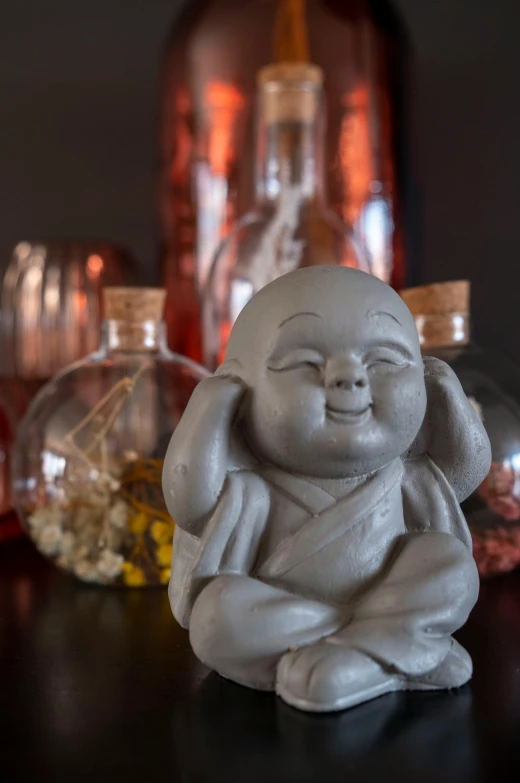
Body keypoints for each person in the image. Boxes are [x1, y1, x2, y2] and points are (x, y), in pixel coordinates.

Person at [163, 266, 491, 712]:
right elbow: (191, 503)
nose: (350, 378)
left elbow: (466, 469)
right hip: (283, 612)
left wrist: (447, 394)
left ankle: (345, 663)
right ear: (238, 390)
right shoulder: (253, 490)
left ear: (422, 375)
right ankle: (397, 653)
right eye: (303, 363)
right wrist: (209, 405)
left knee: (448, 564)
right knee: (216, 615)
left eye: (386, 361)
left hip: (389, 592)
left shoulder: (405, 474)